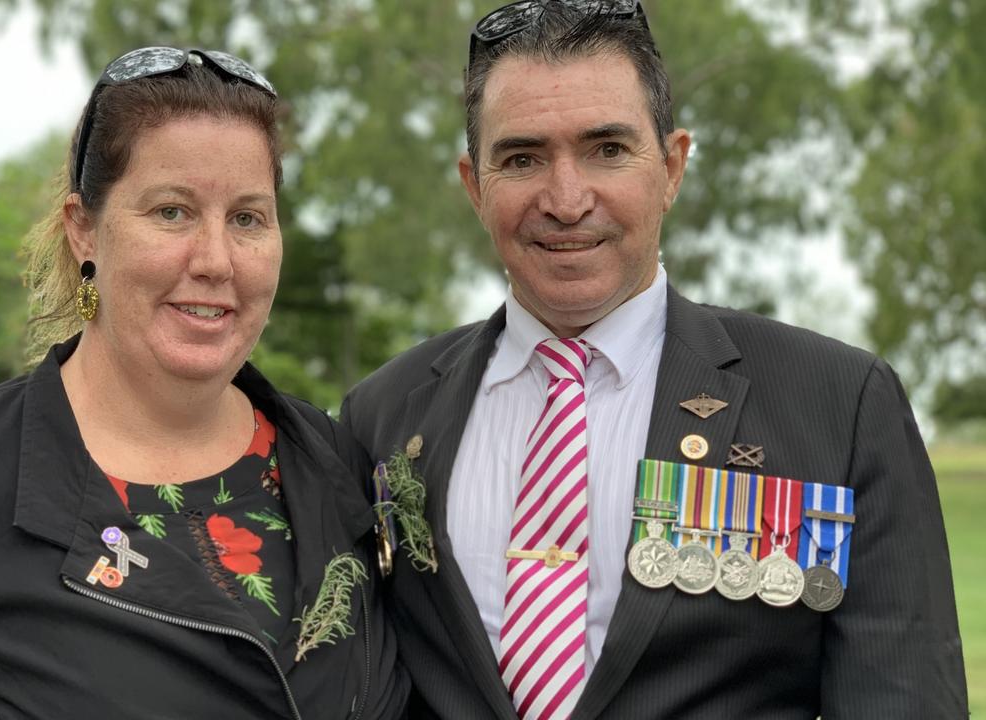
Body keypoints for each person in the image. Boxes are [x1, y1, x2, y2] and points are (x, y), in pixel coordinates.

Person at [340, 2, 967, 719]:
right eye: (521, 158)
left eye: (606, 149)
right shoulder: (379, 418)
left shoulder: (838, 403)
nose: (566, 199)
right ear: (474, 185)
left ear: (671, 167)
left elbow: (902, 698)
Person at [0, 46, 407, 719]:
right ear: (84, 231)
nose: (215, 261)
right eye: (172, 212)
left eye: (246, 218)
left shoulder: (342, 468)